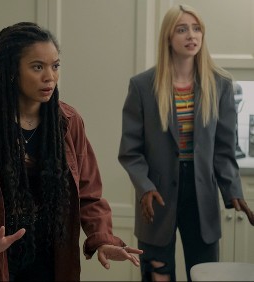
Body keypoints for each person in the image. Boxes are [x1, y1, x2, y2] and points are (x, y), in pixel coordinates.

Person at [0, 22, 142, 281]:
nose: (49, 76)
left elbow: (89, 195)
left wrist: (102, 239)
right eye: (37, 67)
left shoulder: (69, 122)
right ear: (12, 71)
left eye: (55, 66)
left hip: (51, 263)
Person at [118, 4, 254, 281]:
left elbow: (224, 151)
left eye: (196, 28)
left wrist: (233, 190)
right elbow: (131, 152)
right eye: (181, 29)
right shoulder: (142, 86)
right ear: (168, 37)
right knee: (158, 276)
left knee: (205, 274)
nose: (191, 35)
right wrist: (144, 187)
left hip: (201, 194)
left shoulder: (221, 85)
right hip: (156, 196)